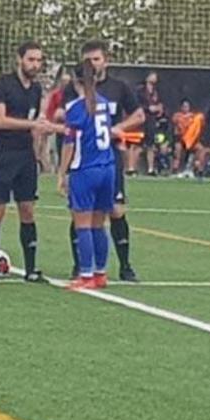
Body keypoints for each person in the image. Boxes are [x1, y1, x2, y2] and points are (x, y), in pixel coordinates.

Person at [62, 41, 144, 281]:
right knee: (92, 219)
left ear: (105, 60)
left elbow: (138, 115)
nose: (93, 64)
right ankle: (90, 269)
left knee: (99, 216)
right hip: (99, 160)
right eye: (89, 60)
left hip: (95, 163)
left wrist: (116, 127)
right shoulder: (87, 98)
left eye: (96, 59)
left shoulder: (117, 88)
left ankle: (110, 268)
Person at [0, 41, 52, 282]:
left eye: (39, 60)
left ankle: (31, 270)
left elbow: (36, 126)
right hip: (4, 153)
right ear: (19, 59)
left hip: (25, 156)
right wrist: (32, 124)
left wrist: (40, 152)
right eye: (31, 59)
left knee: (28, 210)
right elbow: (0, 120)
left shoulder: (36, 90)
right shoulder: (4, 84)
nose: (35, 64)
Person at [57, 61, 115, 290]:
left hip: (85, 170)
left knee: (83, 225)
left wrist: (62, 173)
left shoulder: (76, 107)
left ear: (75, 80)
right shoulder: (104, 104)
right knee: (99, 224)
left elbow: (70, 143)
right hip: (107, 168)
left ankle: (86, 274)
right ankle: (100, 273)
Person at [135, 71, 164, 176]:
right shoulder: (140, 90)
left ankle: (151, 169)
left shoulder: (157, 92)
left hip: (152, 120)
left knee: (150, 145)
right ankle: (132, 168)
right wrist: (148, 108)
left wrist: (159, 108)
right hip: (142, 119)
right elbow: (136, 104)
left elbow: (159, 103)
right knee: (137, 145)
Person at [42, 73, 71, 170]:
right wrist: (51, 124)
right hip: (60, 128)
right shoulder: (56, 95)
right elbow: (51, 111)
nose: (65, 84)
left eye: (67, 82)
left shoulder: (74, 95)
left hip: (73, 127)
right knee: (59, 149)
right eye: (63, 82)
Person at [172, 98, 205, 176]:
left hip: (192, 141)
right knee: (178, 148)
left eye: (187, 106)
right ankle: (175, 169)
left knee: (201, 149)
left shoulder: (193, 117)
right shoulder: (177, 116)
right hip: (181, 139)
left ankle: (197, 168)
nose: (185, 108)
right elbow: (178, 127)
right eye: (184, 106)